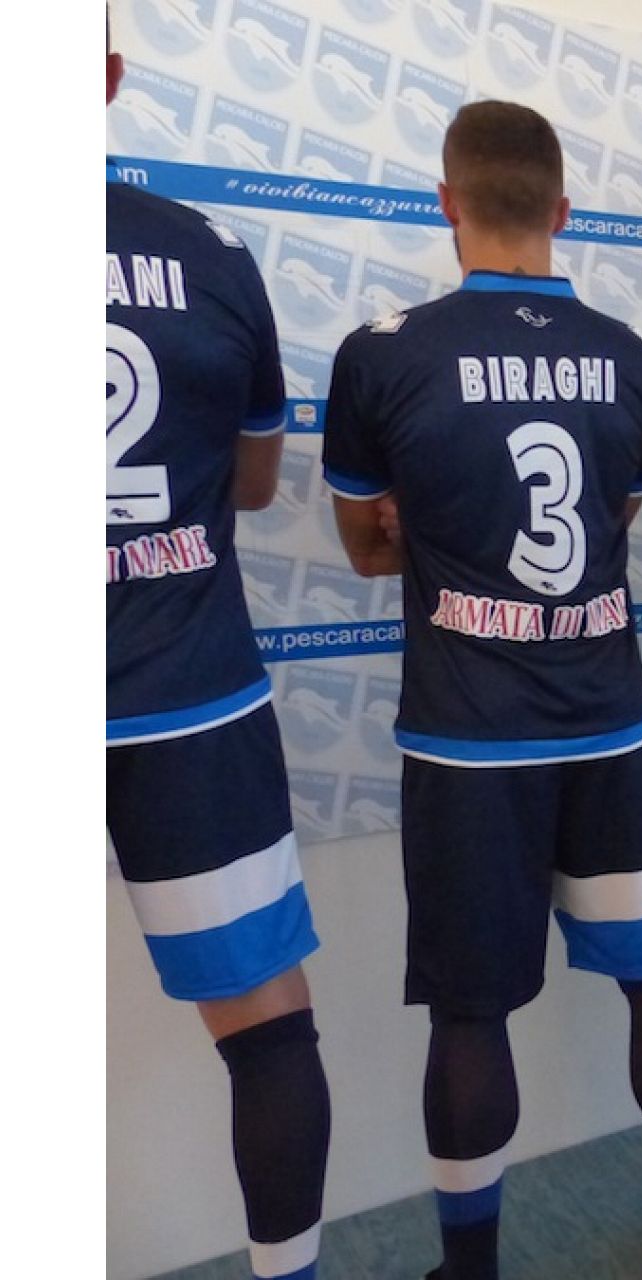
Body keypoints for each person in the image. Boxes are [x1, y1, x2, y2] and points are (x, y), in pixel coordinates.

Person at [321, 101, 642, 1280]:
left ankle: (473, 1267)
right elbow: (613, 521)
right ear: (563, 210)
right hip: (609, 729)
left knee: (469, 1013)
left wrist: (437, 534)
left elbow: (368, 547)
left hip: (469, 744)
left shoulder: (382, 355)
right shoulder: (636, 360)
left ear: (447, 203)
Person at [106, 34, 332, 1280]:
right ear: (108, 75)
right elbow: (250, 480)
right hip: (191, 694)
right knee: (270, 1033)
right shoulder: (212, 253)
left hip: (182, 697)